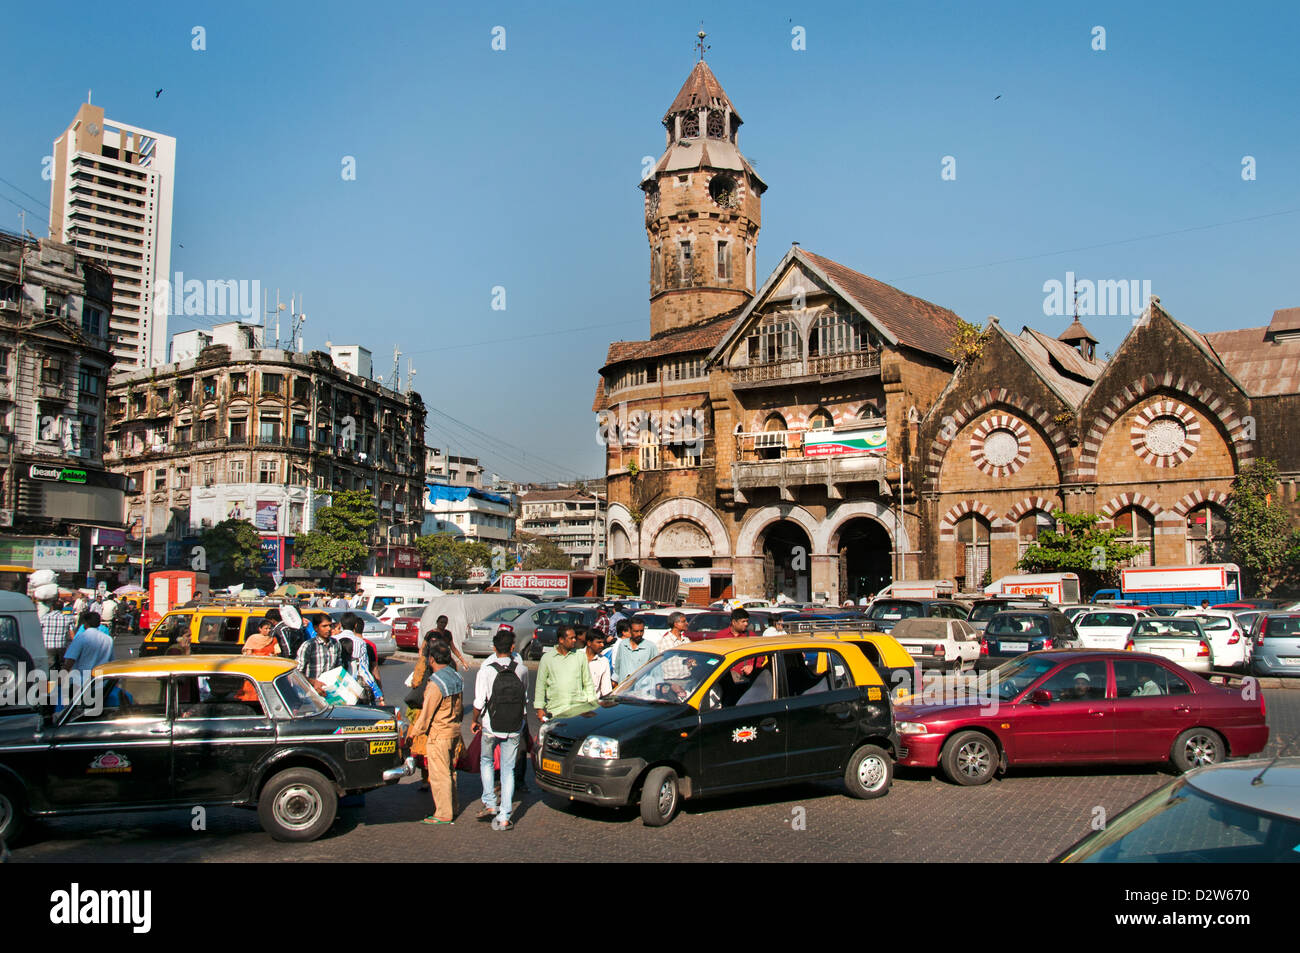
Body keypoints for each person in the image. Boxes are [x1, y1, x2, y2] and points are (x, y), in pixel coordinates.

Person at [473, 631, 528, 830]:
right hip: (514, 726)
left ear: (494, 648)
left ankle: (489, 802)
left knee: (486, 761)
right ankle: (505, 816)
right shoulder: (521, 669)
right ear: (512, 648)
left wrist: (474, 720)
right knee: (508, 770)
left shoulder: (486, 670)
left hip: (490, 724)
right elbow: (524, 697)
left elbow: (479, 701)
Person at [409, 642, 463, 825]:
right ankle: (453, 807)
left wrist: (413, 733)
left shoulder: (436, 683)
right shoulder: (456, 677)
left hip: (439, 733)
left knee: (439, 775)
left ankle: (443, 813)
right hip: (454, 730)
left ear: (431, 659)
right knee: (450, 772)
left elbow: (426, 714)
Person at [535, 623, 596, 721]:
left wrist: (593, 705)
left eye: (575, 638)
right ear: (561, 640)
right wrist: (539, 708)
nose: (575, 640)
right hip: (556, 710)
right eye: (571, 638)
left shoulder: (580, 656)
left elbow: (588, 683)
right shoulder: (547, 658)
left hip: (579, 709)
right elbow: (540, 685)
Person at [338, 611, 383, 705]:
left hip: (338, 685)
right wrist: (379, 693)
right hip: (356, 688)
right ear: (355, 626)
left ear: (341, 624)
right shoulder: (361, 643)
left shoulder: (334, 639)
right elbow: (364, 669)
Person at [61, 611, 114, 686]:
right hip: (101, 682)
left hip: (81, 682)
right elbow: (111, 661)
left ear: (85, 623)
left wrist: (61, 678)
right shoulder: (108, 639)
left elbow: (70, 660)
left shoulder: (81, 637)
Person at [295, 616, 344, 695]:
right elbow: (297, 673)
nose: (328, 629)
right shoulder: (308, 646)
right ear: (316, 628)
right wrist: (314, 682)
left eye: (330, 626)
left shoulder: (336, 644)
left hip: (329, 692)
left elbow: (338, 668)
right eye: (324, 626)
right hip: (310, 693)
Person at [612, 618, 656, 687]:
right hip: (623, 687)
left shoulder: (650, 646)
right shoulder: (623, 645)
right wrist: (614, 680)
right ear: (630, 630)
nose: (639, 634)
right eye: (636, 631)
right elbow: (618, 667)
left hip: (642, 689)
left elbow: (656, 670)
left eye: (641, 631)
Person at [579, 625, 613, 698]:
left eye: (603, 642)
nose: (602, 645)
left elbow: (606, 689)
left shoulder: (604, 661)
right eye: (599, 642)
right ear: (589, 643)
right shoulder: (576, 657)